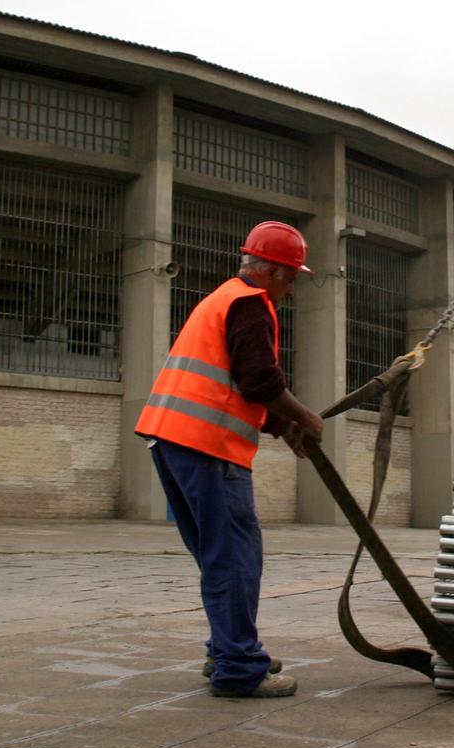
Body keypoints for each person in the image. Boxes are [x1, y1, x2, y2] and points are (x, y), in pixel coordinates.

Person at [135, 221, 324, 699]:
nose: (292, 288)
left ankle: (227, 649)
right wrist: (306, 417)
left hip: (172, 441)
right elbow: (259, 380)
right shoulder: (250, 305)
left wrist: (283, 428)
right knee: (237, 558)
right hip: (208, 447)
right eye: (292, 277)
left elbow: (232, 387)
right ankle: (239, 667)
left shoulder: (221, 298)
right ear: (274, 272)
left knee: (219, 557)